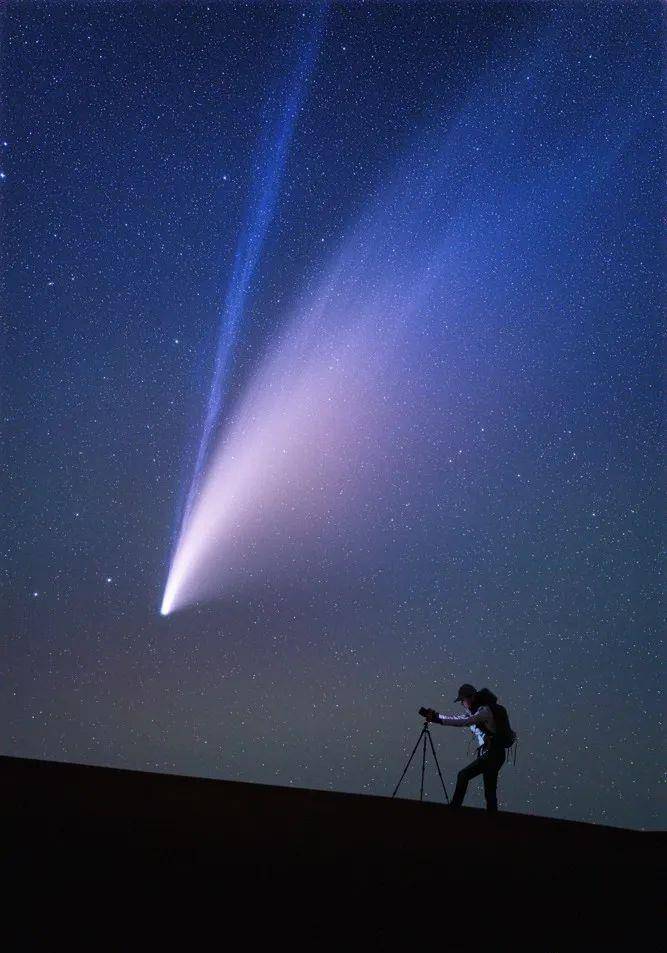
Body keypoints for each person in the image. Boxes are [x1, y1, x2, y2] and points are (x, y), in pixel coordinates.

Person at [419, 683, 511, 813]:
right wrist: (437, 717)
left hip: (493, 754)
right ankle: (492, 821)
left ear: (471, 697)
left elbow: (464, 722)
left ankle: (455, 809)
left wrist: (437, 719)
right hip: (493, 754)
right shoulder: (476, 713)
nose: (462, 703)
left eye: (462, 700)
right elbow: (456, 719)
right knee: (488, 789)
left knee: (465, 776)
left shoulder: (484, 711)